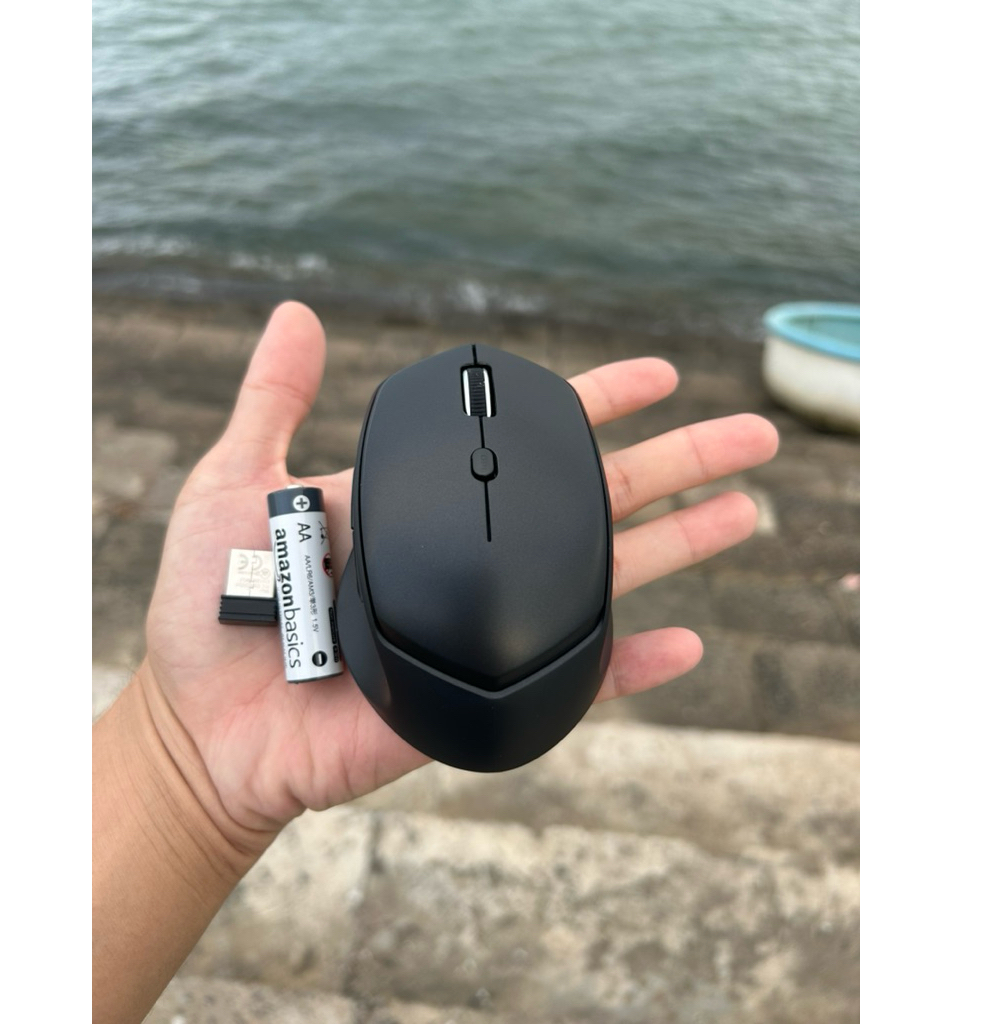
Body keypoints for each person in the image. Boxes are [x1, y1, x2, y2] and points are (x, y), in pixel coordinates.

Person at [92, 302, 779, 1024]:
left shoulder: (408, 407)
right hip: (516, 632)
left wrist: (179, 766)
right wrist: (181, 768)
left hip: (456, 631)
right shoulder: (532, 415)